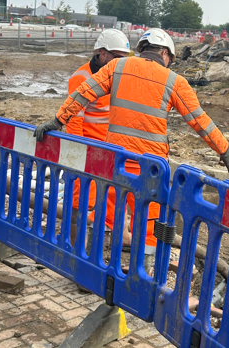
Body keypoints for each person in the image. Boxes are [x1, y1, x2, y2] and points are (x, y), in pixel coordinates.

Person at [35, 28, 229, 258]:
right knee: (150, 222)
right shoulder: (175, 82)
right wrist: (225, 150)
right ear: (164, 52)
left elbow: (83, 93)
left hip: (116, 161)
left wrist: (57, 120)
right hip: (150, 168)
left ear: (141, 49)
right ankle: (143, 280)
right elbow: (200, 121)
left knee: (105, 213)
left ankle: (90, 268)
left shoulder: (116, 67)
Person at [65, 29, 131, 244]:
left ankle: (106, 233)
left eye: (125, 58)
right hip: (89, 148)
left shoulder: (118, 77)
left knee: (112, 192)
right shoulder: (81, 78)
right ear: (102, 53)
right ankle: (76, 241)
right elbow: (74, 120)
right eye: (118, 57)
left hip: (110, 147)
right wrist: (79, 152)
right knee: (82, 195)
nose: (122, 62)